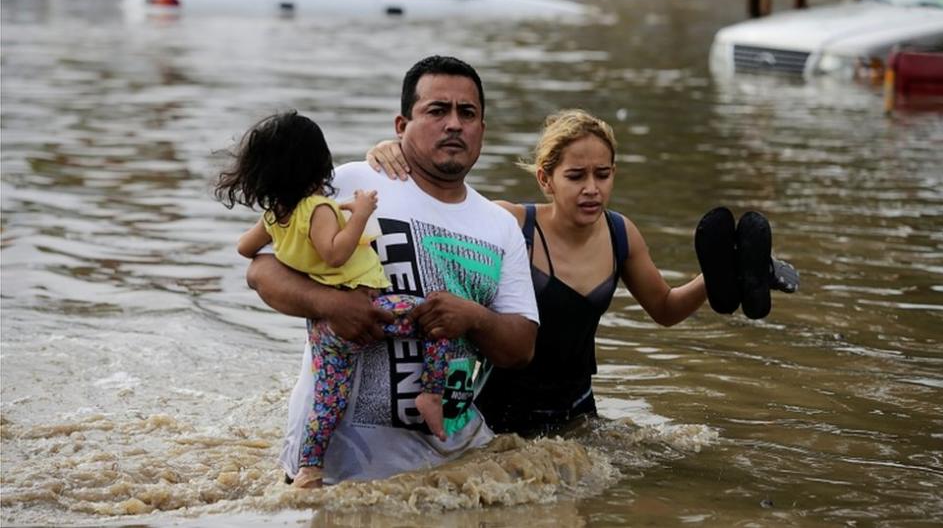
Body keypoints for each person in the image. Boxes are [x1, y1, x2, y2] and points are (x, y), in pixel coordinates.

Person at [367, 108, 797, 437]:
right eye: (576, 176)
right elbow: (437, 214)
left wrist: (718, 273)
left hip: (577, 414)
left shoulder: (620, 233)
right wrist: (391, 154)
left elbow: (665, 309)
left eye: (603, 175)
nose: (592, 188)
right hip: (498, 416)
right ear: (545, 179)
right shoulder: (509, 223)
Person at [244, 56, 539, 485]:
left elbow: (521, 348)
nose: (454, 124)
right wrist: (331, 304)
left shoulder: (499, 226)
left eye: (467, 113)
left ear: (482, 131)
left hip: (449, 471)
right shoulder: (349, 183)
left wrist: (473, 317)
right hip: (333, 471)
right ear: (401, 126)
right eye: (437, 111)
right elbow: (260, 271)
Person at [214, 111, 456, 487]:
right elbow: (336, 252)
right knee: (437, 318)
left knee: (328, 401)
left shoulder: (275, 215)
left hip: (323, 327)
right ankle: (431, 396)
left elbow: (245, 247)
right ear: (318, 163)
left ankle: (310, 468)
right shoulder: (318, 208)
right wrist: (360, 213)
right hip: (367, 307)